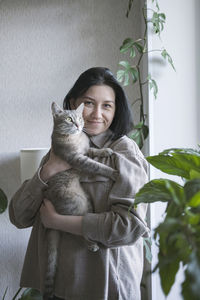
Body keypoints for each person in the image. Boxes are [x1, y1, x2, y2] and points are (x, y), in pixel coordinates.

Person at [9, 67, 149, 300]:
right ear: (74, 103)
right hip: (58, 288)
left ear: (116, 110)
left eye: (107, 105)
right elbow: (18, 216)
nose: (96, 114)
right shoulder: (61, 148)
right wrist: (48, 170)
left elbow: (130, 226)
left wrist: (59, 222)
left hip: (103, 288)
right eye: (88, 103)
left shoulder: (123, 152)